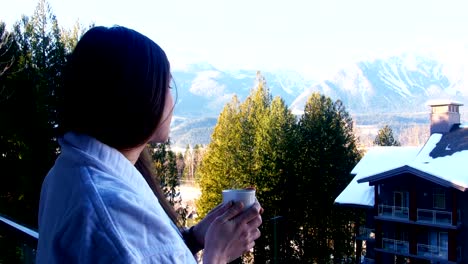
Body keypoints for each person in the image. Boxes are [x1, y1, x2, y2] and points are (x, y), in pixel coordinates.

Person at [36, 25, 263, 263]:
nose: (172, 100)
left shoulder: (68, 173)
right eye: (166, 87)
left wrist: (196, 236)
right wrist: (218, 254)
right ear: (138, 99)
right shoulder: (113, 212)